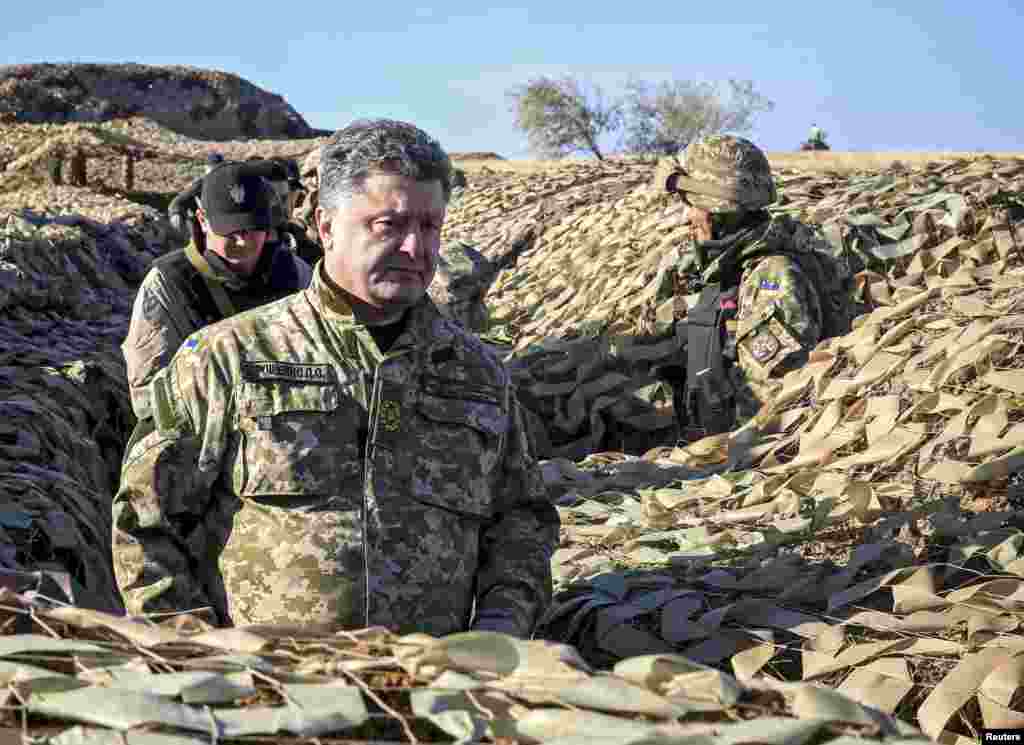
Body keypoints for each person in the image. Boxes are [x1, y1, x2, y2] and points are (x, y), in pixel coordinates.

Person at [112, 118, 559, 638]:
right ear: (326, 227)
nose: (415, 248)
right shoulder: (227, 357)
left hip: (432, 696)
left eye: (430, 226)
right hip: (270, 698)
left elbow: (521, 523)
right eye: (388, 226)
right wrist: (197, 656)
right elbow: (144, 523)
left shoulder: (478, 374)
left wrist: (500, 632)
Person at [651, 134, 856, 440]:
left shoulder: (774, 278)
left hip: (745, 459)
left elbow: (769, 409)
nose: (686, 216)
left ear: (718, 211)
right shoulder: (723, 266)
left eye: (691, 205)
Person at [122, 162, 312, 421]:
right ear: (202, 221)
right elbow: (147, 400)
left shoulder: (295, 275)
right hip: (204, 433)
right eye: (230, 231)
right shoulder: (168, 286)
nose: (243, 241)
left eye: (252, 228)